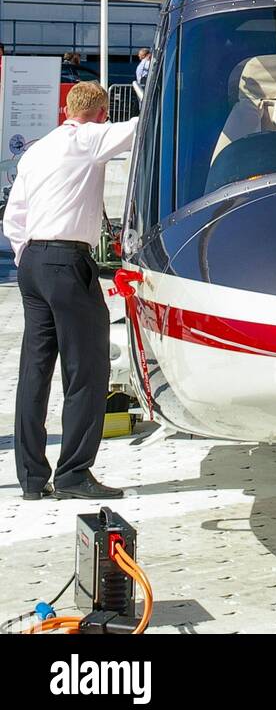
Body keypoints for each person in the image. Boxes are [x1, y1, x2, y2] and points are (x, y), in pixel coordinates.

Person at [3, 81, 138, 500]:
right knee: (87, 369)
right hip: (66, 260)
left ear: (65, 109)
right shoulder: (90, 137)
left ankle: (30, 478)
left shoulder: (38, 149)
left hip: (32, 264)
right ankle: (73, 473)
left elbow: (15, 216)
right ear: (100, 113)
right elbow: (141, 126)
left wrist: (27, 255)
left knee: (35, 370)